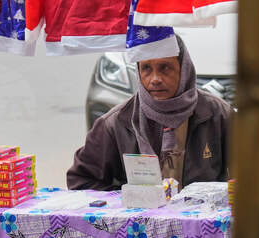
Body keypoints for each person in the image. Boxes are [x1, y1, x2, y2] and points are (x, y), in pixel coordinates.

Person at [67, 36, 231, 191]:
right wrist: (130, 201)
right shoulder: (115, 124)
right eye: (146, 69)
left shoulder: (218, 115)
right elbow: (81, 180)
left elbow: (251, 172)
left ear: (184, 69)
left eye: (165, 68)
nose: (155, 79)